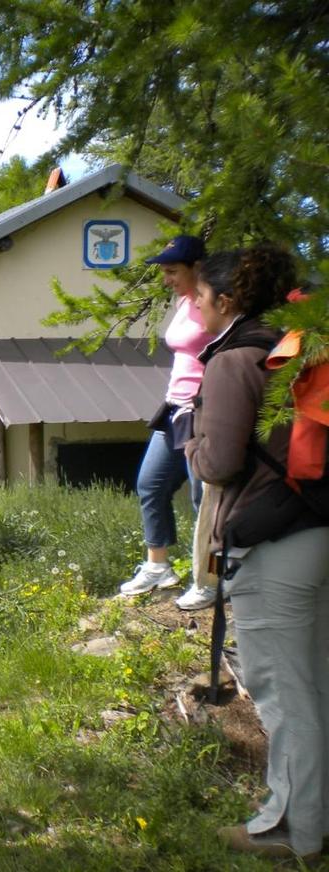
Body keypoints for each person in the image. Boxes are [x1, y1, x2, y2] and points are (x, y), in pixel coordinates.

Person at [185, 244, 328, 862]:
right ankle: (317, 817)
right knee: (315, 684)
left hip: (271, 543)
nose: (192, 301)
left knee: (282, 691)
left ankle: (290, 828)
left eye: (199, 293)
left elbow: (218, 463)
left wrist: (186, 440)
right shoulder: (296, 346)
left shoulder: (234, 360)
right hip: (315, 524)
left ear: (226, 299)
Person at [118, 235, 214, 605]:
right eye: (164, 272)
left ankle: (209, 578)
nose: (166, 279)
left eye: (173, 271)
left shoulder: (217, 304)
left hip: (203, 410)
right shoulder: (185, 301)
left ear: (198, 268)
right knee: (150, 484)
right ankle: (158, 566)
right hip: (175, 408)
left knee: (202, 498)